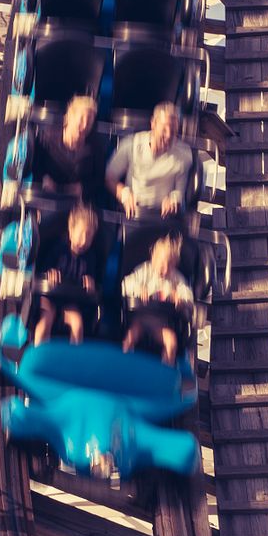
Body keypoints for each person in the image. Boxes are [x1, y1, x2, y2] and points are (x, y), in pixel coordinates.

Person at [105, 102, 193, 218]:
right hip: (133, 210)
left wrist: (173, 200)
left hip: (162, 215)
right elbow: (110, 178)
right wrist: (124, 195)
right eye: (164, 129)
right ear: (153, 124)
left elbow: (179, 190)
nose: (168, 135)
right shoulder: (131, 144)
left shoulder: (184, 154)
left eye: (173, 130)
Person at [121, 234, 193, 365]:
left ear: (175, 265)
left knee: (171, 342)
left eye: (170, 265)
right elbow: (125, 284)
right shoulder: (144, 271)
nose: (164, 268)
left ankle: (166, 369)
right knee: (131, 336)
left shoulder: (176, 279)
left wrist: (180, 298)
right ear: (153, 258)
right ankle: (124, 363)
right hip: (141, 319)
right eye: (161, 263)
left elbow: (188, 295)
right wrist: (139, 289)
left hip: (160, 324)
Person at [34, 203, 100, 346]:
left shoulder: (91, 258)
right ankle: (38, 352)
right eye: (80, 233)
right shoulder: (58, 248)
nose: (83, 240)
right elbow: (42, 272)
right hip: (50, 298)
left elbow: (91, 283)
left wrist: (90, 284)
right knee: (47, 318)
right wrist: (49, 273)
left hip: (69, 301)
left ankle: (73, 361)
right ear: (71, 230)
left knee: (77, 323)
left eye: (88, 236)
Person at [32, 95, 104, 201]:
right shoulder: (46, 138)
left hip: (78, 203)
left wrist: (83, 188)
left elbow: (99, 179)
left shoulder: (95, 147)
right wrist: (43, 179)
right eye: (81, 119)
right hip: (48, 197)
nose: (84, 126)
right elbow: (34, 166)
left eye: (89, 121)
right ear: (70, 116)